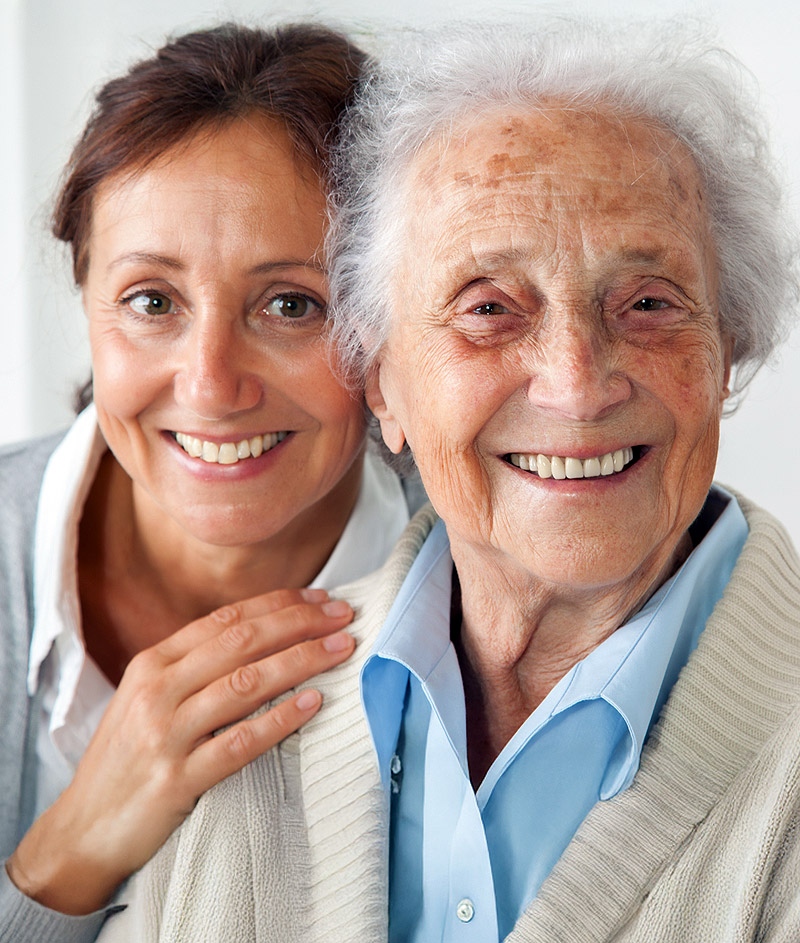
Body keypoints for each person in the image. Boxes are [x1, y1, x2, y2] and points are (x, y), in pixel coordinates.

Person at [100, 17, 800, 943]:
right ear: (381, 378)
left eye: (648, 303)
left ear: (726, 350)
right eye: (490, 310)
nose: (577, 384)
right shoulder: (234, 737)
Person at [0, 21, 415, 943]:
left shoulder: (492, 600)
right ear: (88, 305)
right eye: (152, 301)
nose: (211, 384)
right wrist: (61, 861)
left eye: (292, 304)